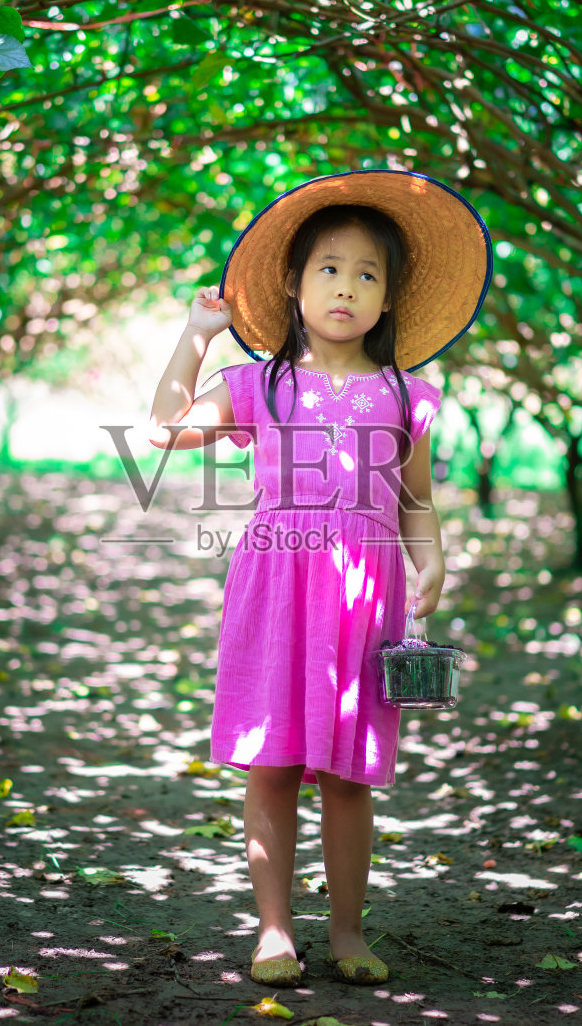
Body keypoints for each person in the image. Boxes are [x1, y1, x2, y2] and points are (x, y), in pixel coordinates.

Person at [145, 170, 491, 988]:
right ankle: (274, 930)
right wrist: (197, 332)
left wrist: (430, 555)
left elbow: (416, 497)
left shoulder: (406, 393)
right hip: (276, 587)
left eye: (368, 273)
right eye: (329, 268)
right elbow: (162, 429)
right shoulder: (258, 385)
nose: (347, 286)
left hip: (363, 600)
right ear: (295, 284)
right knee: (273, 761)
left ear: (388, 299)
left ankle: (346, 930)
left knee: (347, 770)